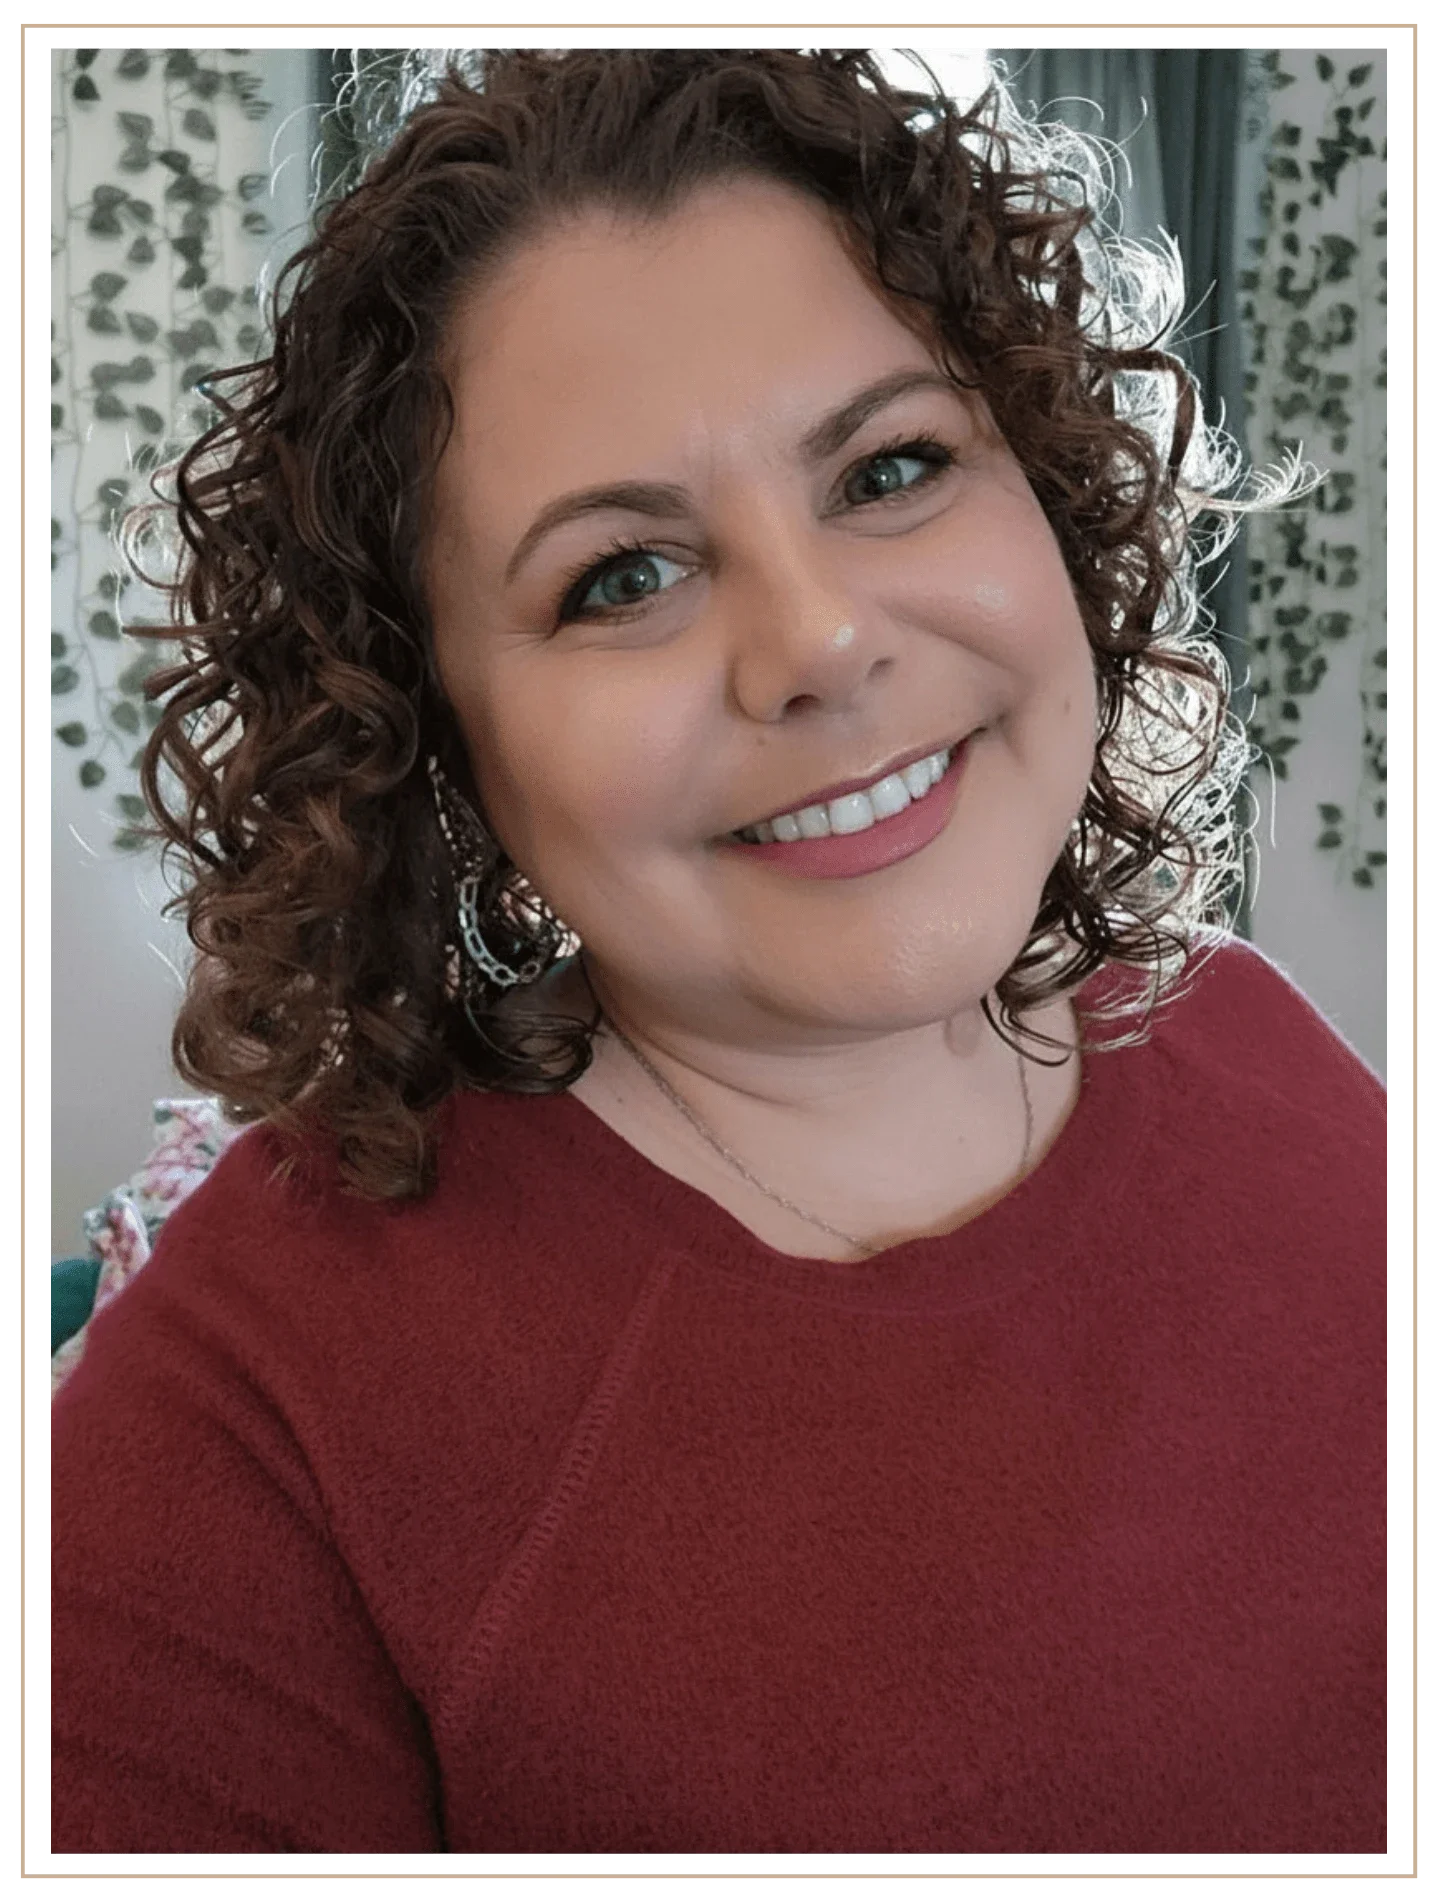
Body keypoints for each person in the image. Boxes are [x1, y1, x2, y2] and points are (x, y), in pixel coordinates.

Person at [49, 47, 1388, 1859]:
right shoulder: (242, 1421)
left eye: (893, 466)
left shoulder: (1255, 1040)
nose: (819, 641)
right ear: (429, 741)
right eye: (622, 576)